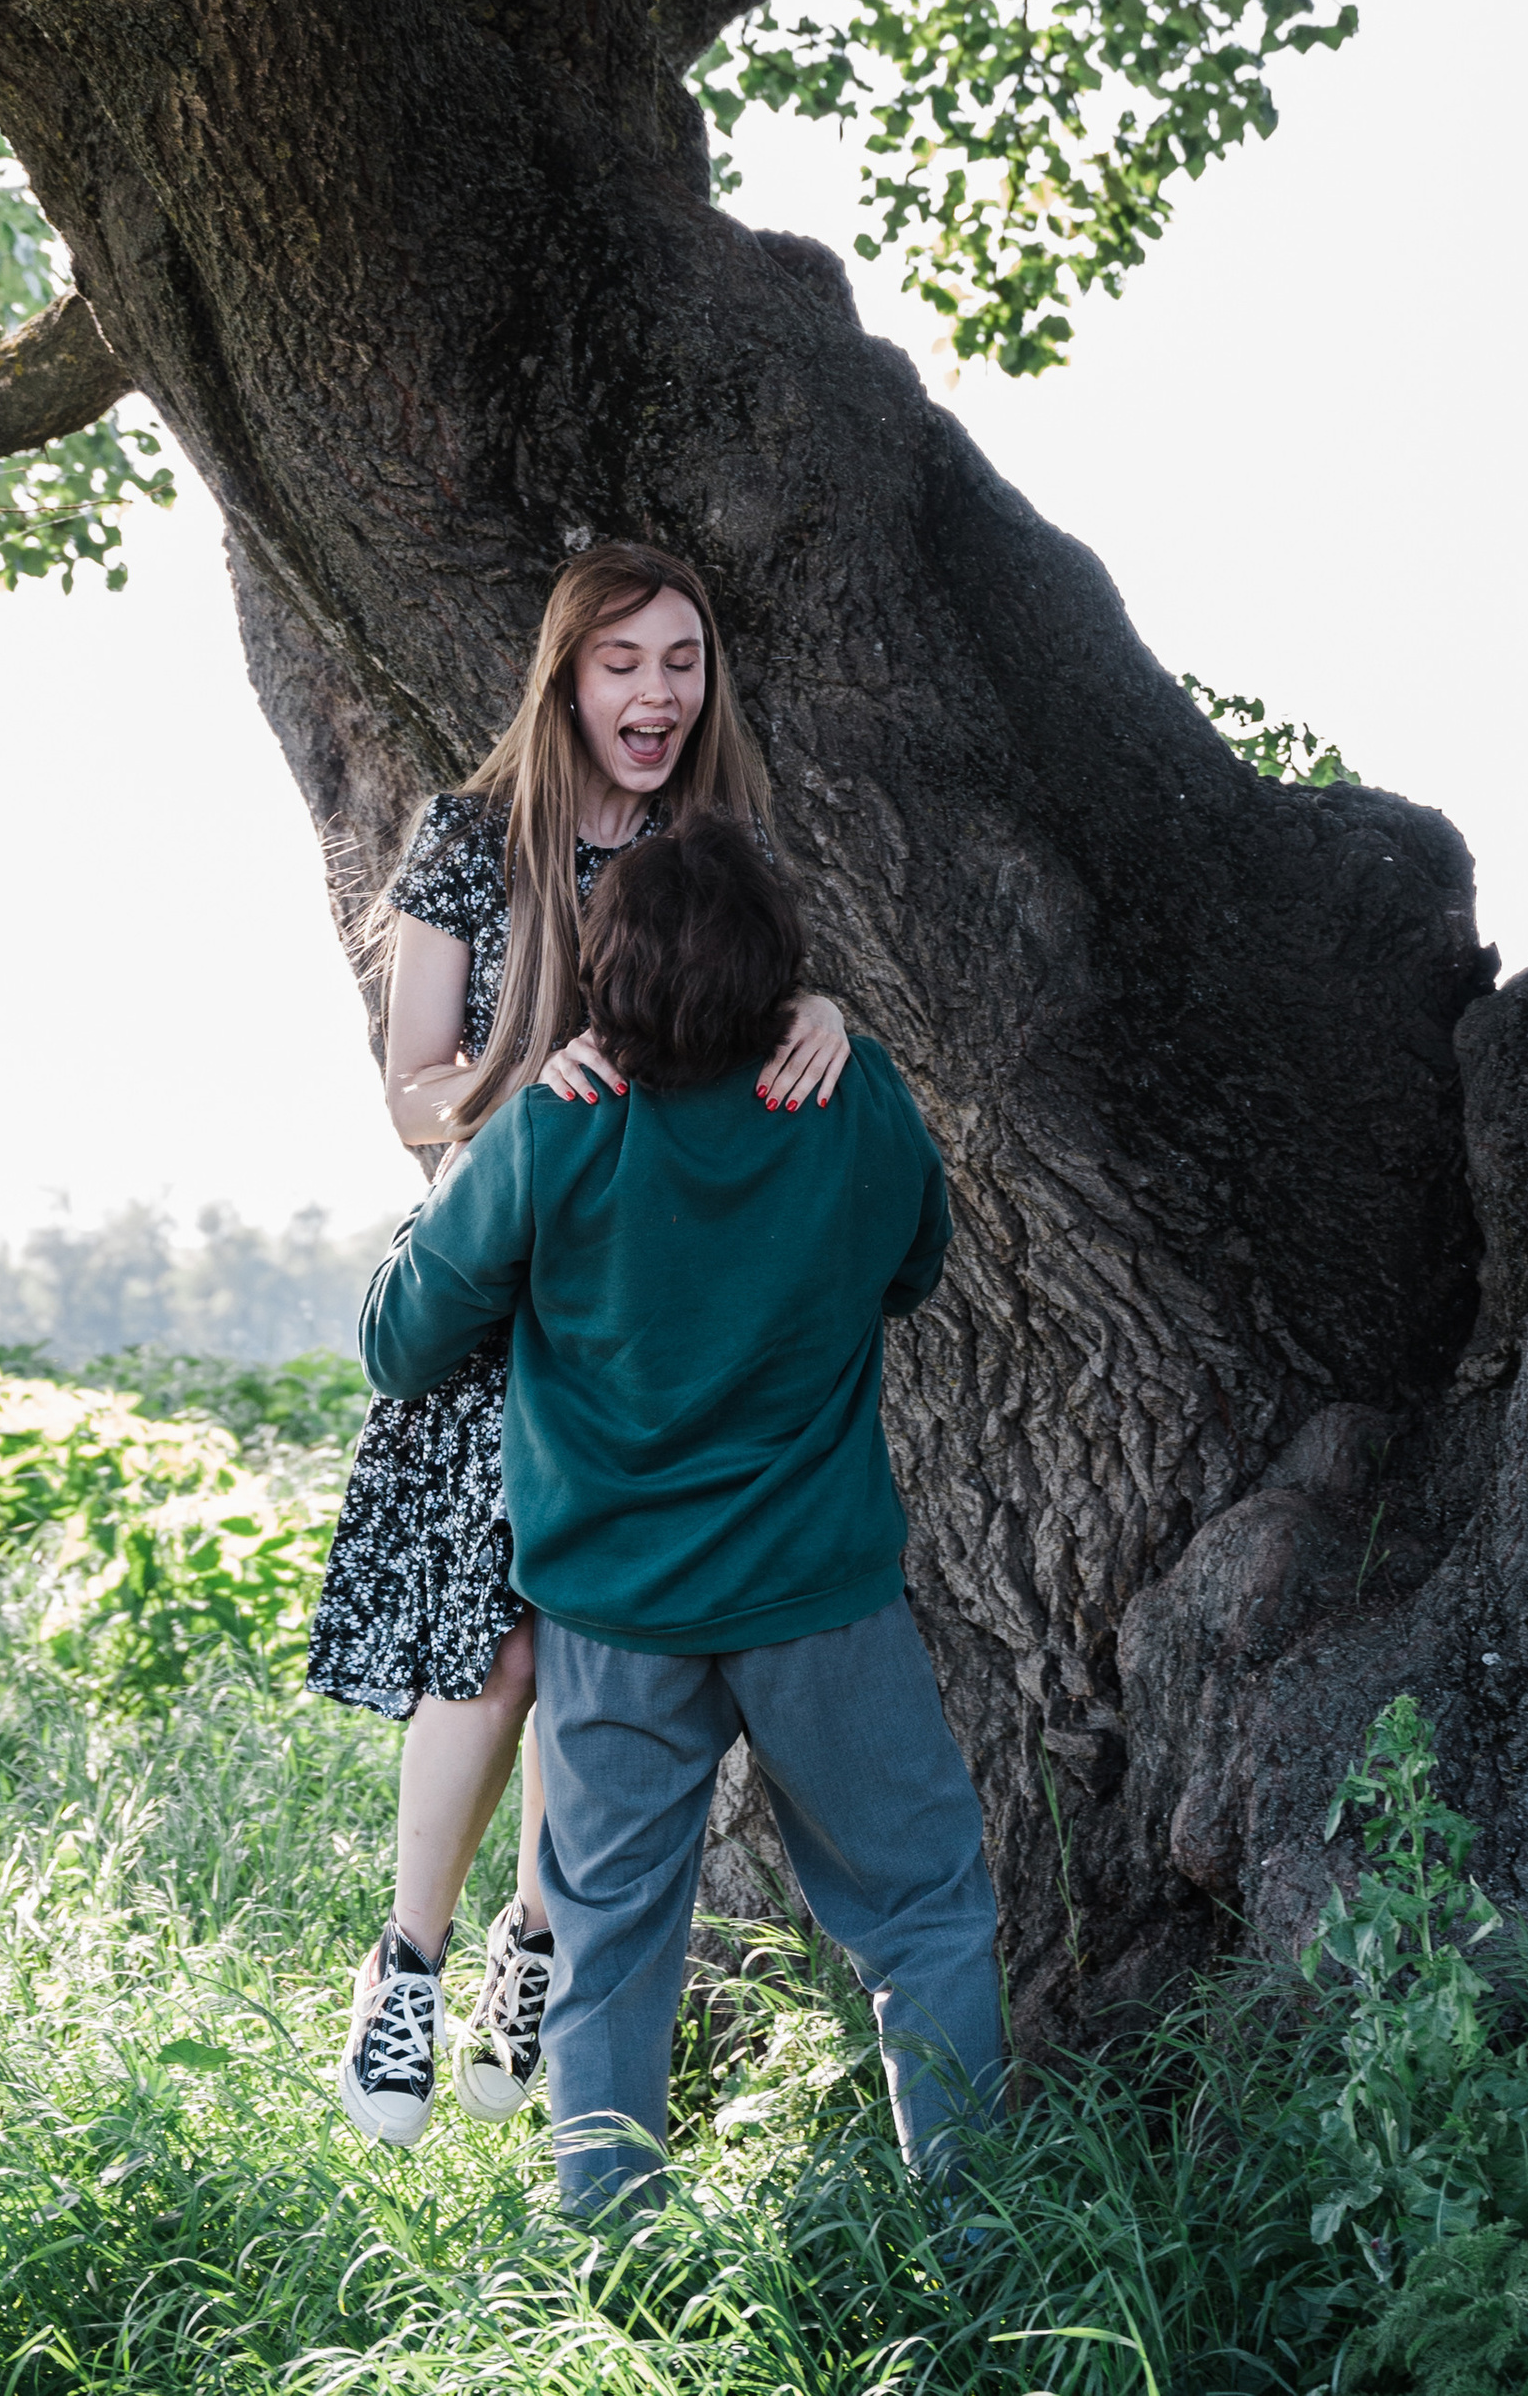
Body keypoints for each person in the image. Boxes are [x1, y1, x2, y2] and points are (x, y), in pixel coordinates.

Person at [358, 813, 1004, 2222]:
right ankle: (973, 2234)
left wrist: (481, 1156)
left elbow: (398, 1347)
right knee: (925, 1913)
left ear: (607, 975)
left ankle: (615, 2258)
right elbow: (916, 1266)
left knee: (609, 1946)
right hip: (818, 1594)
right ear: (780, 973)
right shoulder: (849, 1095)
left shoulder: (556, 1130)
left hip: (618, 1619)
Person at [307, 540, 854, 2148]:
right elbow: (408, 1085)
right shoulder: (473, 842)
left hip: (649, 1299)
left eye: (682, 661)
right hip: (505, 1286)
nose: (659, 693)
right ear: (568, 676)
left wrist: (823, 1019)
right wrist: (518, 1088)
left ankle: (536, 1948)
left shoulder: (720, 844)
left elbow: (769, 1031)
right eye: (626, 663)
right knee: (501, 1642)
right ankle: (406, 1963)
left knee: (597, 1637)